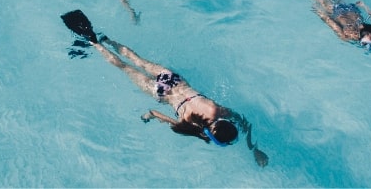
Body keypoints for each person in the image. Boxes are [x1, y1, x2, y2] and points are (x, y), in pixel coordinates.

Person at [60, 9, 269, 167]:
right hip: (161, 93)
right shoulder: (191, 126)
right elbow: (155, 114)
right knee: (124, 67)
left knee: (136, 59)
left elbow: (244, 122)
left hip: (174, 80)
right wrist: (254, 150)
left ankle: (106, 38)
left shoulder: (217, 110)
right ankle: (95, 43)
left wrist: (250, 143)